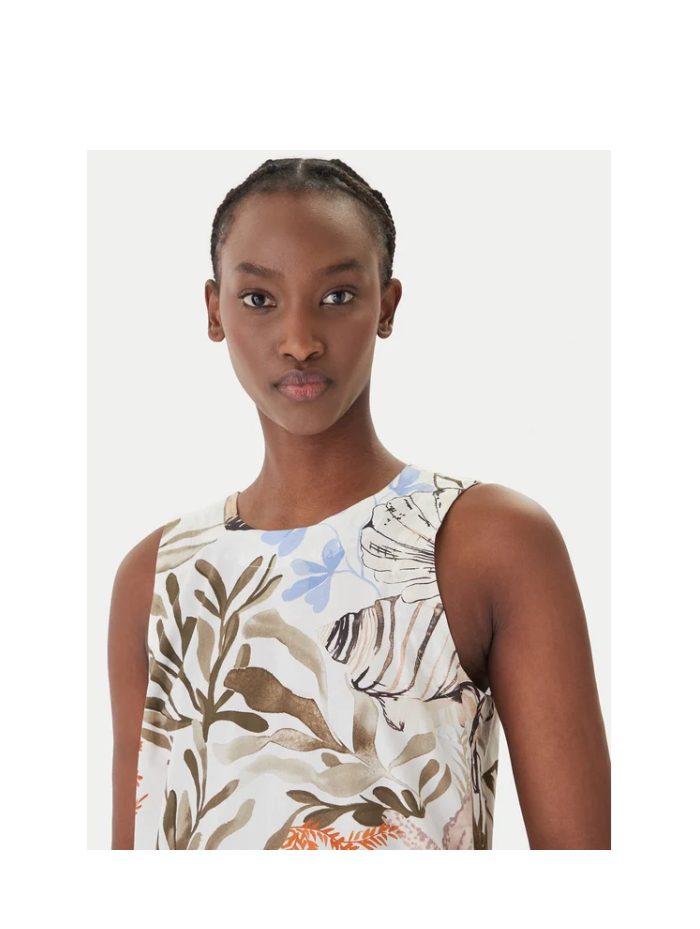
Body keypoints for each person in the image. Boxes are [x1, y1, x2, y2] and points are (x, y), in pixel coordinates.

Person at [108, 156, 611, 850]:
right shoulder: (159, 575)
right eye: (259, 299)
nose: (299, 341)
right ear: (214, 310)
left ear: (387, 306)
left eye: (338, 295)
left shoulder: (484, 542)